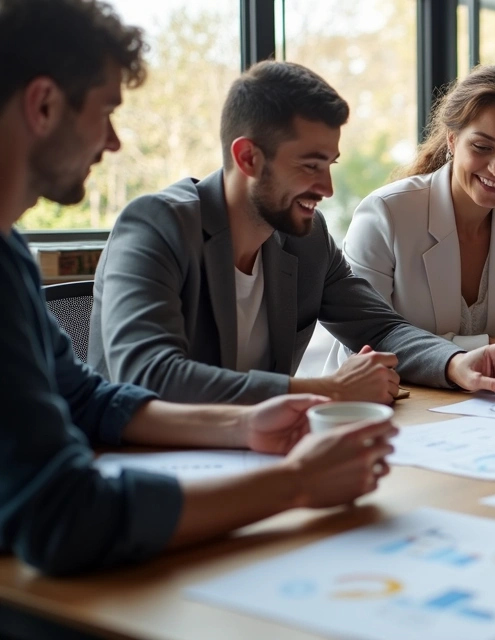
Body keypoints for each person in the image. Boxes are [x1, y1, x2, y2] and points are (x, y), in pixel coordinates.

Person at [0, 0, 397, 577]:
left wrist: (240, 424)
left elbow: (84, 398)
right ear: (43, 104)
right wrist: (296, 483)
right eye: (106, 110)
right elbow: (62, 515)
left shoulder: (9, 251)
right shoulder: (154, 222)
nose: (113, 142)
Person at [88, 60, 495, 406]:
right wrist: (322, 389)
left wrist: (456, 362)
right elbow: (148, 376)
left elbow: (381, 327)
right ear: (247, 158)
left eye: (329, 165)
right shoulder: (155, 226)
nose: (326, 188)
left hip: (257, 450)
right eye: (309, 165)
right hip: (146, 464)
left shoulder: (306, 239)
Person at [324, 64, 495, 374]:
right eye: (482, 147)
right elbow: (366, 343)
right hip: (397, 400)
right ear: (451, 139)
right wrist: (492, 344)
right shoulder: (384, 214)